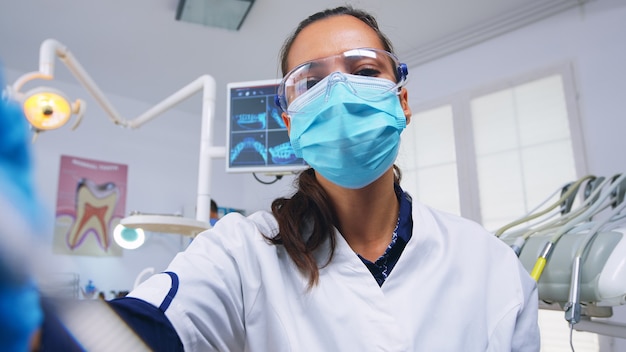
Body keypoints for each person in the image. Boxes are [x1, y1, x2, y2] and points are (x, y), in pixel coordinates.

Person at [29, 5, 541, 351]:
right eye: (311, 82)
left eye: (365, 72)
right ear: (290, 123)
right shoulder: (241, 252)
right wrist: (30, 327)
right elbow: (145, 330)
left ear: (401, 101)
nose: (340, 91)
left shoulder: (489, 266)